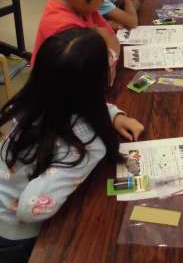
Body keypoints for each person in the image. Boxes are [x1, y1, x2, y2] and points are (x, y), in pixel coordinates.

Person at [0, 28, 144, 259]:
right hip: (14, 235)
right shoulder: (85, 145)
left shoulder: (32, 104)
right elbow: (29, 209)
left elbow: (76, 105)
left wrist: (114, 115)